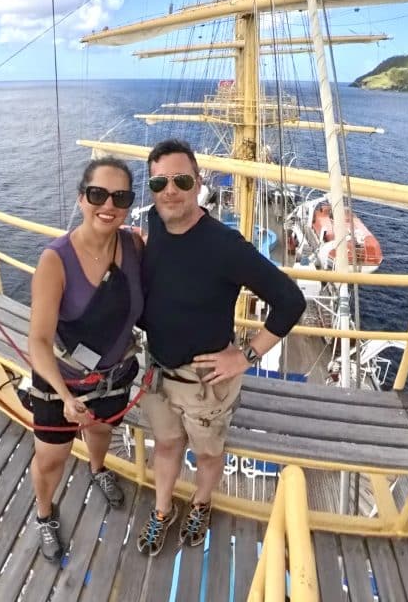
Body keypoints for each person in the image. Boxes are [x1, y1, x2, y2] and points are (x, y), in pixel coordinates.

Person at [136, 139, 306, 557]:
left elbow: (291, 300)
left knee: (208, 454)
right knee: (168, 446)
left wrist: (246, 355)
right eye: (160, 181)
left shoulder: (224, 246)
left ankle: (201, 503)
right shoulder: (155, 227)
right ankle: (162, 511)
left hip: (204, 384)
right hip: (159, 373)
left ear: (199, 183)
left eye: (181, 179)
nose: (170, 190)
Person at [28, 157, 143, 562]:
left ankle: (97, 470)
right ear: (81, 198)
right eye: (98, 194)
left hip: (114, 376)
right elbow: (39, 342)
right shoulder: (55, 261)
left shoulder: (134, 245)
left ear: (129, 203)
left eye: (120, 196)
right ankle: (44, 514)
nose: (108, 205)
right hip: (62, 382)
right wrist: (63, 396)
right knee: (51, 458)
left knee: (101, 431)